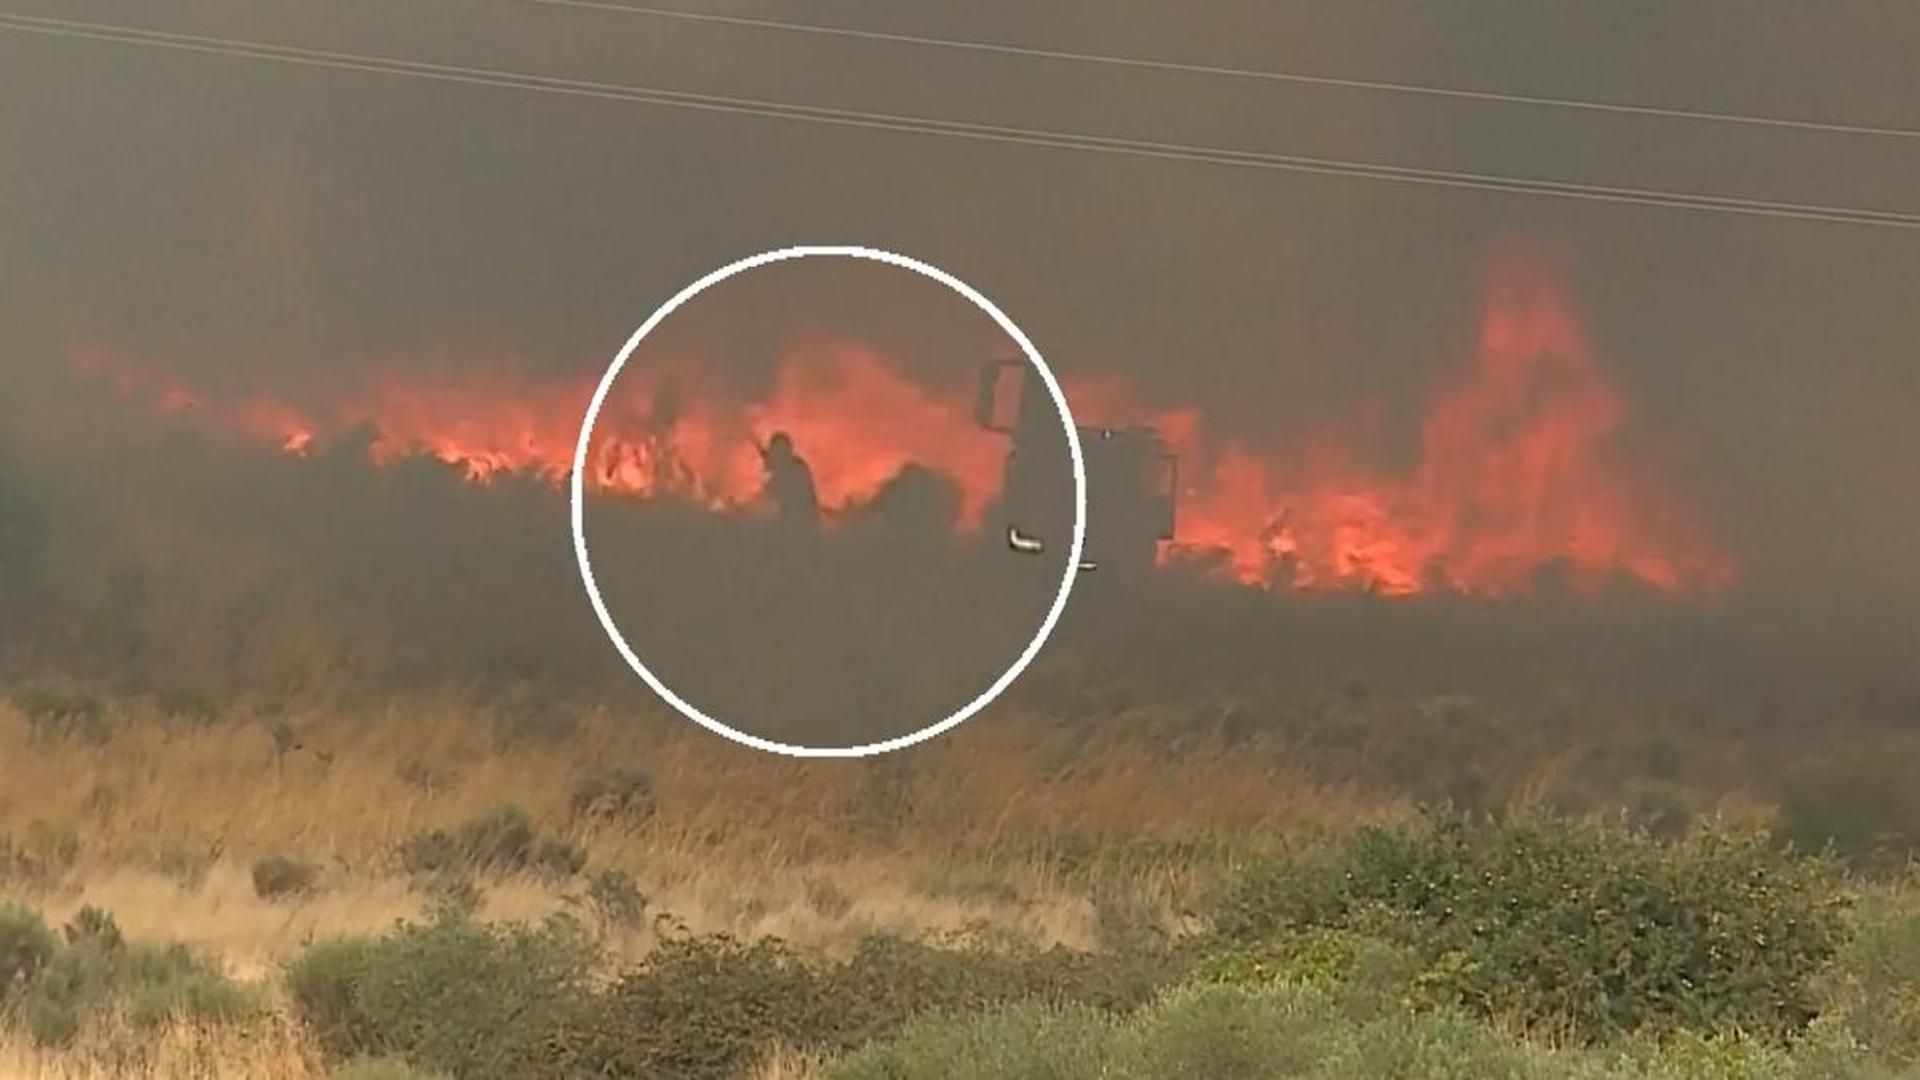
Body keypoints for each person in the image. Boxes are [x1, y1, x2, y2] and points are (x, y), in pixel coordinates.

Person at [759, 431, 820, 531]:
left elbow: (776, 492)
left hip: (799, 524)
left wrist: (770, 467)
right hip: (797, 521)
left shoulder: (795, 468)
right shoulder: (797, 465)